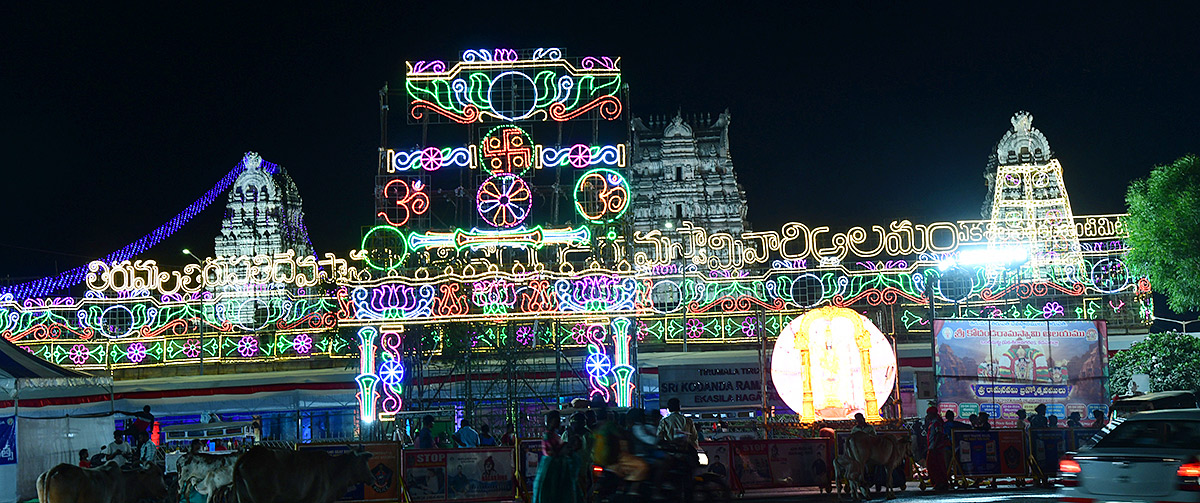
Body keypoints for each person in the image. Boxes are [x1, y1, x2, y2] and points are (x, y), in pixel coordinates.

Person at [531, 411, 577, 503]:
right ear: (550, 421)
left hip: (557, 466)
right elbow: (553, 452)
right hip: (550, 467)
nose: (558, 422)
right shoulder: (548, 436)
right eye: (556, 420)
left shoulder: (556, 435)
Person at [925, 407, 950, 491]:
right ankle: (938, 482)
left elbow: (939, 434)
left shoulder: (936, 423)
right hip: (933, 447)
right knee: (934, 466)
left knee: (936, 466)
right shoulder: (933, 423)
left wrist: (935, 446)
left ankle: (940, 482)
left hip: (936, 448)